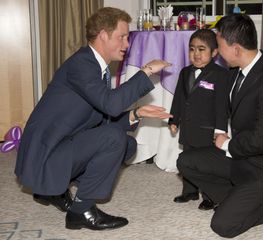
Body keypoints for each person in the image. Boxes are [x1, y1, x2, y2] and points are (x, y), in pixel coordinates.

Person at [15, 7, 172, 231]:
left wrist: (135, 114)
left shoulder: (95, 66)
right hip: (45, 154)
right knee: (114, 139)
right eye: (122, 37)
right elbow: (110, 104)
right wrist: (146, 71)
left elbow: (100, 119)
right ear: (103, 35)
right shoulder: (82, 64)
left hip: (61, 142)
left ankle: (54, 190)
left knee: (127, 144)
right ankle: (81, 211)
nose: (127, 45)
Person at [177, 14, 263, 238]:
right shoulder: (234, 71)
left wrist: (227, 144)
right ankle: (237, 198)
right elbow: (219, 103)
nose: (218, 52)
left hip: (262, 166)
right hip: (238, 158)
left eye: (219, 46)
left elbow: (262, 141)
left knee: (223, 226)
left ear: (235, 48)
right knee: (185, 161)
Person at [168, 29, 229, 210]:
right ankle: (190, 191)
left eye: (202, 49)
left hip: (208, 131)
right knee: (187, 159)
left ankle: (210, 195)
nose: (196, 54)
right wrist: (174, 120)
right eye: (192, 49)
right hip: (188, 127)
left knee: (206, 164)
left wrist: (220, 130)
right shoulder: (185, 72)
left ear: (214, 52)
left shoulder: (220, 74)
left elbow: (221, 106)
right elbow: (179, 97)